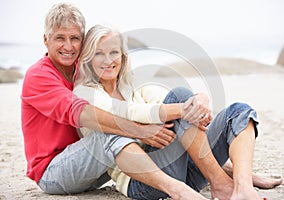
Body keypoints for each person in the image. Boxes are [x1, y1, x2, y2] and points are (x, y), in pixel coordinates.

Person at [21, 3, 213, 200]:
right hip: (53, 171)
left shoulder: (84, 67)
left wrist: (196, 99)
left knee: (156, 121)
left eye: (75, 38)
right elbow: (83, 113)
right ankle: (178, 191)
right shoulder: (38, 76)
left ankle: (222, 175)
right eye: (60, 38)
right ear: (46, 40)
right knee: (108, 132)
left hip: (96, 165)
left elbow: (130, 93)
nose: (68, 46)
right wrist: (138, 130)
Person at [73, 24, 282, 199]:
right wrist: (184, 107)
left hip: (185, 172)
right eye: (99, 53)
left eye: (113, 52)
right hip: (145, 181)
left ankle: (243, 186)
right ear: (88, 59)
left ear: (123, 56)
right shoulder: (85, 93)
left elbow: (163, 99)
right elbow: (129, 112)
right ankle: (220, 183)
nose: (108, 60)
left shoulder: (131, 85)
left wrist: (199, 101)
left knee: (239, 112)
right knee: (180, 98)